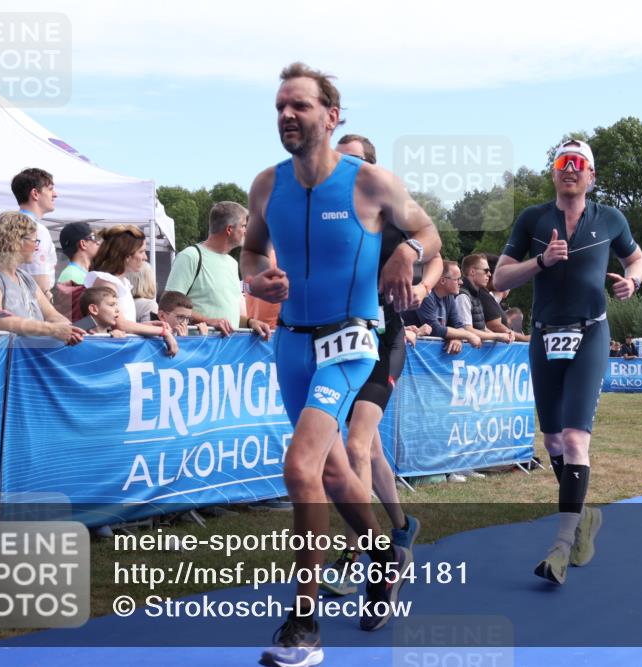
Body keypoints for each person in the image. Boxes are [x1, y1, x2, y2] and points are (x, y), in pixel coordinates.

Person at [239, 63, 441, 665]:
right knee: (330, 472)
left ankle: (303, 624)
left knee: (301, 466)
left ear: (331, 116)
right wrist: (259, 277)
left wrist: (406, 250)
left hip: (352, 340)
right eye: (280, 107)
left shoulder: (370, 182)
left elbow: (429, 233)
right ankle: (384, 555)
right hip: (292, 341)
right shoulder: (265, 185)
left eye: (299, 106)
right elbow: (251, 248)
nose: (286, 116)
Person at [494, 138, 642, 585]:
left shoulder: (611, 219)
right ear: (554, 172)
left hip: (590, 333)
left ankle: (561, 547)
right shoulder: (533, 219)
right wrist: (540, 261)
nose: (571, 169)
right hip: (543, 336)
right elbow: (501, 276)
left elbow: (635, 260)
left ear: (592, 176)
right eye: (563, 162)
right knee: (554, 443)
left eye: (579, 163)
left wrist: (631, 284)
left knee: (577, 441)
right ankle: (585, 516)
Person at [319, 134, 441, 597]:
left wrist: (424, 286)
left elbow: (437, 249)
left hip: (383, 341)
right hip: (336, 346)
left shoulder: (389, 214)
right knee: (367, 452)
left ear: (371, 168)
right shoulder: (325, 216)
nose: (344, 169)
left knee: (356, 446)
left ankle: (355, 558)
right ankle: (403, 525)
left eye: (354, 162)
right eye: (338, 160)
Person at [0, 212, 84, 344]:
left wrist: (70, 329)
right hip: (5, 359)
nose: (36, 246)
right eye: (34, 240)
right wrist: (52, 329)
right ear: (17, 241)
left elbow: (51, 314)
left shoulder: (24, 277)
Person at [165, 201, 268, 335]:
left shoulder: (232, 263)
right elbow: (168, 305)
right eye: (243, 226)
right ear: (229, 229)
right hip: (198, 350)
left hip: (226, 351)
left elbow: (228, 318)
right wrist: (208, 321)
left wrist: (250, 322)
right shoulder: (190, 256)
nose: (246, 231)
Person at [84, 224, 178, 354]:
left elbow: (123, 324)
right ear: (126, 256)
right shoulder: (108, 282)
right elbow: (121, 324)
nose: (145, 257)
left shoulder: (118, 282)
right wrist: (162, 332)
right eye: (141, 251)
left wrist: (146, 327)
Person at [403, 261, 482, 350]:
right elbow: (435, 329)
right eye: (457, 279)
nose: (461, 282)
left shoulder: (449, 296)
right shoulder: (426, 295)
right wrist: (469, 335)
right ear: (442, 281)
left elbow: (458, 325)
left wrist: (456, 338)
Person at [11, 168, 59, 294]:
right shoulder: (36, 229)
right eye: (50, 189)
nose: (55, 194)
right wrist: (46, 297)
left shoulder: (8, 225)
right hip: (31, 302)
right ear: (35, 194)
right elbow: (38, 279)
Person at [456, 253, 515, 345]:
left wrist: (503, 336)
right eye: (486, 270)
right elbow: (467, 330)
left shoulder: (476, 293)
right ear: (472, 272)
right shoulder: (463, 295)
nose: (489, 274)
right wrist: (498, 336)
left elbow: (482, 327)